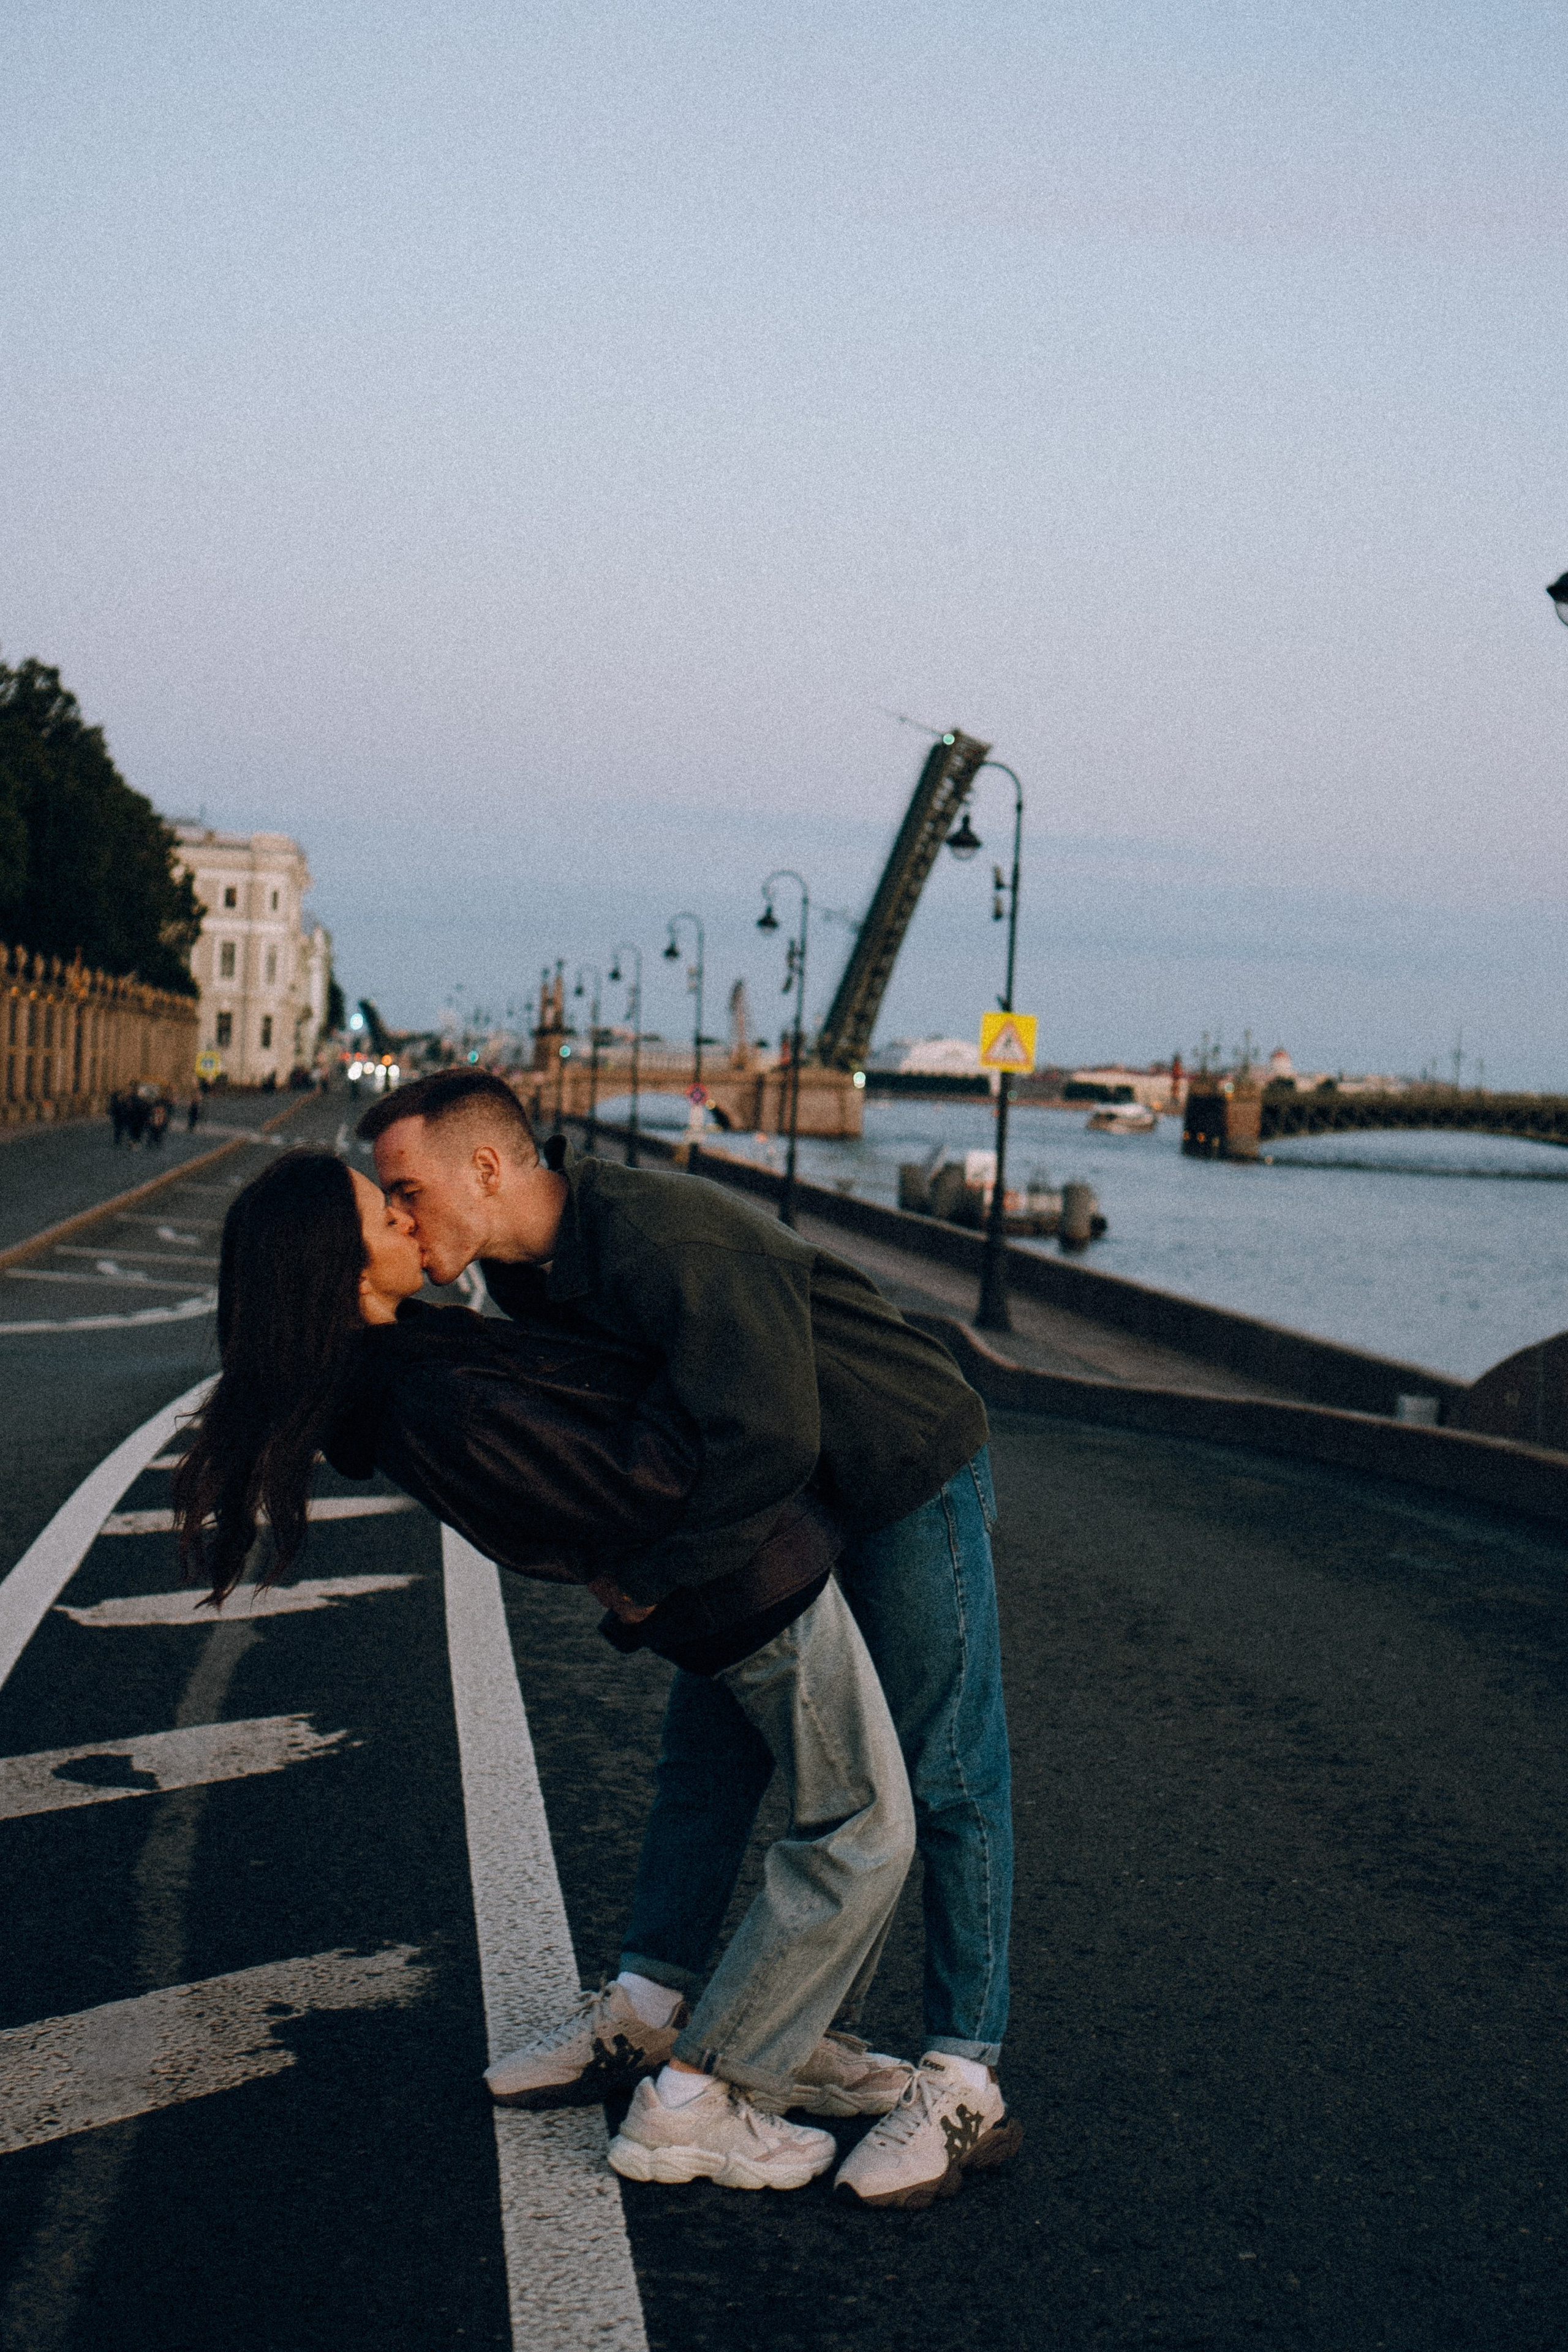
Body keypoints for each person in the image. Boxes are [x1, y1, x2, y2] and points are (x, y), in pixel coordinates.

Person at [170, 1150, 918, 2195]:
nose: (398, 1212)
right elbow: (628, 1486)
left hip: (731, 1580)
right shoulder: (428, 1399)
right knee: (864, 1828)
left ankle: (786, 2040)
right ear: (343, 1274)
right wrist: (715, 1373)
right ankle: (701, 2097)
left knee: (783, 1806)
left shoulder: (409, 1366)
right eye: (378, 1210)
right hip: (745, 1584)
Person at [361, 1068, 1021, 2212]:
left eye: (407, 1189)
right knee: (706, 1767)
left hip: (896, 1468)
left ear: (486, 1166)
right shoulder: (531, 1280)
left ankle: (963, 2074)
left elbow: (766, 1433)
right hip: (775, 1514)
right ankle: (650, 2010)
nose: (402, 1216)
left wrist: (648, 1585)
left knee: (946, 1769)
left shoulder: (659, 1236)